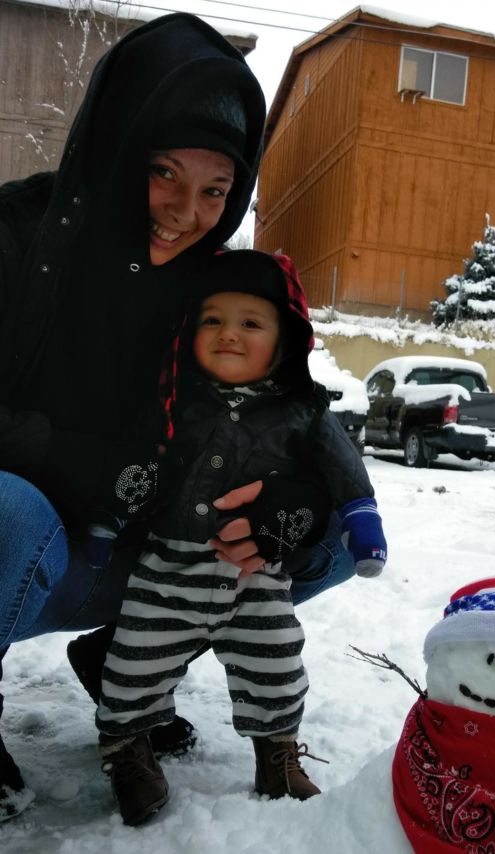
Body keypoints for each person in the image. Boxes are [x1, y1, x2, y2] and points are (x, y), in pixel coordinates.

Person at [0, 13, 354, 822]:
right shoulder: (19, 236)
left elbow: (296, 404)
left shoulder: (217, 285)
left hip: (147, 557)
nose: (185, 212)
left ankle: (127, 659)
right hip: (33, 547)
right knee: (6, 512)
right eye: (162, 172)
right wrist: (90, 468)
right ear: (114, 148)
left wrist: (300, 497)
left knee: (332, 534)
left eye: (215, 190)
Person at [93, 249, 387, 826]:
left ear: (284, 342)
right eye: (212, 320)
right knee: (134, 665)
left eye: (250, 322)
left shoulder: (302, 411)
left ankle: (277, 754)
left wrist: (362, 519)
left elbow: (343, 468)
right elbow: (133, 462)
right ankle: (127, 752)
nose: (228, 333)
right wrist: (109, 517)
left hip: (256, 576)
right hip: (166, 568)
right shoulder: (173, 400)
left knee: (275, 664)